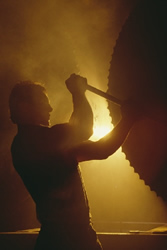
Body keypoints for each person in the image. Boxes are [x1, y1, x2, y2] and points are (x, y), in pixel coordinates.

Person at [9, 74, 140, 250]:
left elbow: (102, 150)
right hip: (68, 241)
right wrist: (78, 92)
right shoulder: (33, 143)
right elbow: (84, 128)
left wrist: (128, 120)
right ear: (23, 106)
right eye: (43, 102)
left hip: (66, 238)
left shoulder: (35, 145)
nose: (50, 108)